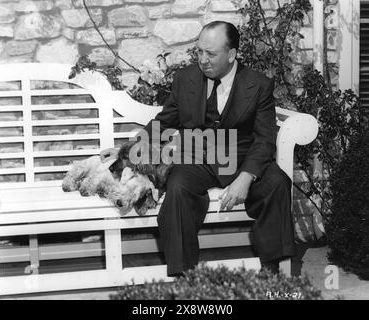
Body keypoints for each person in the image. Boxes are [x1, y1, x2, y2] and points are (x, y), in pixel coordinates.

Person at [101, 21, 295, 276]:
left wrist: (246, 178)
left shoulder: (258, 85)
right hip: (197, 159)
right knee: (178, 188)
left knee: (277, 182)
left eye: (211, 54)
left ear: (232, 54)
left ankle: (272, 268)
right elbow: (165, 122)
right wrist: (125, 150)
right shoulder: (186, 79)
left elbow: (264, 140)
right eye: (199, 51)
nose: (203, 60)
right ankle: (184, 274)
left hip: (242, 158)